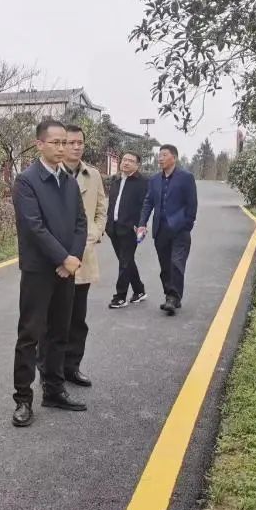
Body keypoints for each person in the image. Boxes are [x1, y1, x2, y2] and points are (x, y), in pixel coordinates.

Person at [11, 119, 88, 427]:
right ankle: (22, 399)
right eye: (55, 142)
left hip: (65, 270)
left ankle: (54, 390)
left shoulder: (68, 180)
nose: (62, 148)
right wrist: (63, 257)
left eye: (64, 142)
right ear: (39, 144)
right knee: (30, 334)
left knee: (59, 331)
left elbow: (81, 222)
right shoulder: (26, 181)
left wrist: (73, 259)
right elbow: (34, 227)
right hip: (38, 271)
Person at [58, 124, 106, 387]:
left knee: (78, 318)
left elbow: (101, 209)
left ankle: (72, 367)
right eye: (71, 142)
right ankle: (52, 371)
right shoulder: (52, 172)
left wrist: (95, 233)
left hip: (84, 255)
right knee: (55, 319)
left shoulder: (93, 175)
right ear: (61, 144)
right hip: (56, 257)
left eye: (80, 143)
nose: (76, 147)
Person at [137, 144, 197, 317]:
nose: (160, 158)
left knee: (176, 263)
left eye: (164, 155)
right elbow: (148, 202)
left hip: (180, 230)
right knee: (165, 267)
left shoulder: (186, 177)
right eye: (159, 155)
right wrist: (142, 223)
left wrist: (187, 224)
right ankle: (170, 294)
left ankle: (172, 298)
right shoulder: (154, 180)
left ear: (174, 158)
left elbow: (192, 204)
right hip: (160, 230)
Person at [105, 152, 149, 309]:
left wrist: (141, 224)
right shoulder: (116, 180)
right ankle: (139, 290)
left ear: (137, 165)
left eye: (131, 161)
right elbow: (112, 204)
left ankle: (120, 297)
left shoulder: (143, 182)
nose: (126, 163)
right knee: (126, 261)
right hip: (113, 228)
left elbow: (146, 205)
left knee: (125, 261)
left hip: (131, 229)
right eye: (124, 159)